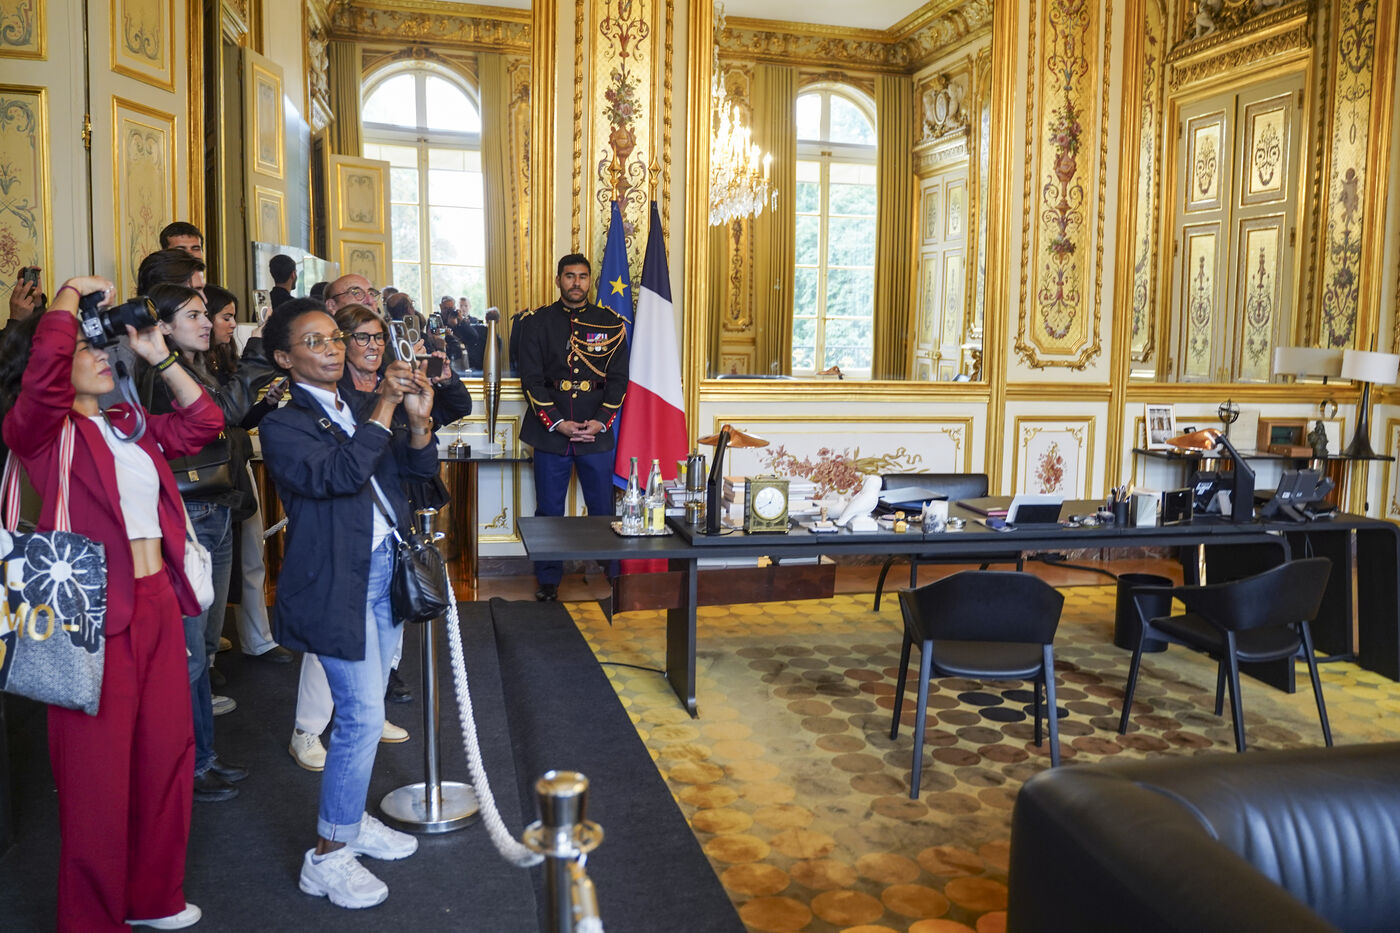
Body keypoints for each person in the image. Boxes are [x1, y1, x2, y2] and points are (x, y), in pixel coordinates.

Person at [3, 275, 224, 932]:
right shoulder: (41, 432)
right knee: (96, 779)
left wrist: (160, 355)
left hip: (157, 604)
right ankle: (91, 919)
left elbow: (205, 422)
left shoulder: (128, 423)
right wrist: (69, 295)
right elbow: (45, 373)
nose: (101, 357)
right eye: (84, 349)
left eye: (101, 347)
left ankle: (153, 896)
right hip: (91, 616)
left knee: (167, 755)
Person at [258, 298, 437, 908]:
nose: (334, 349)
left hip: (383, 568)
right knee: (360, 717)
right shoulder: (283, 424)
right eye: (315, 342)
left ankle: (352, 822)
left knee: (368, 707)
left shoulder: (355, 408)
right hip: (337, 582)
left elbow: (415, 476)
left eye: (336, 337)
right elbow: (338, 476)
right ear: (284, 359)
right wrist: (384, 406)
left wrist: (418, 423)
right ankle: (328, 855)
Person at [138, 283, 253, 802]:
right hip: (190, 512)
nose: (207, 323)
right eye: (193, 315)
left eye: (206, 314)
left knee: (203, 646)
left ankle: (202, 755)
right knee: (187, 653)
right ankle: (191, 764)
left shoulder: (197, 366)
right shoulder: (160, 377)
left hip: (215, 506)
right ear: (161, 327)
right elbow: (212, 422)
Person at [516, 253, 629, 600]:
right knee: (549, 511)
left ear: (590, 280)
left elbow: (618, 380)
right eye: (569, 276)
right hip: (551, 433)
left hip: (595, 431)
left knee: (603, 509)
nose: (576, 283)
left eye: (582, 276)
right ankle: (548, 580)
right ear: (558, 280)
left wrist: (601, 421)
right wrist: (558, 423)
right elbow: (531, 380)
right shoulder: (536, 323)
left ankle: (612, 575)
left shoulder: (610, 323)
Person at [202, 284, 293, 665]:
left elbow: (238, 420)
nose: (231, 324)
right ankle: (207, 653)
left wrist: (267, 403)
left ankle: (257, 639)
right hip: (206, 472)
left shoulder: (226, 358)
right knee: (210, 564)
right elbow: (218, 418)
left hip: (237, 461)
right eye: (226, 317)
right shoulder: (192, 364)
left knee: (252, 551)